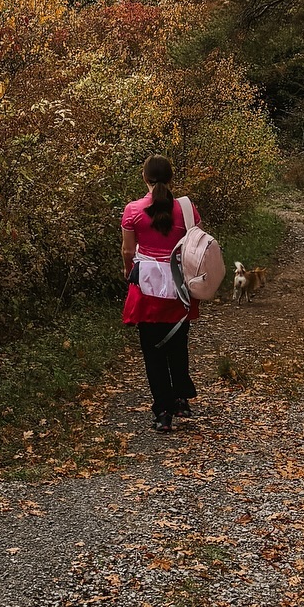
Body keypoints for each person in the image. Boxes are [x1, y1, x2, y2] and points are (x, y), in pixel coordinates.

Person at [121, 153, 200, 434]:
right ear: (171, 177)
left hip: (147, 287)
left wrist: (128, 271)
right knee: (178, 342)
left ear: (144, 177)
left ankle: (163, 412)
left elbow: (129, 250)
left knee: (153, 350)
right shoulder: (187, 209)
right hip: (180, 286)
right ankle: (181, 398)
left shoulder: (133, 210)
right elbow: (196, 247)